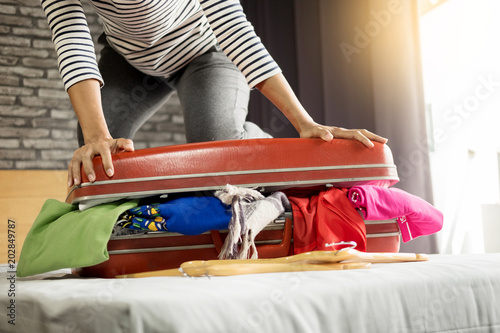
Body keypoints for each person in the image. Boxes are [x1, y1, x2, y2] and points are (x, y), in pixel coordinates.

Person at [41, 0, 387, 188]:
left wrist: (304, 123)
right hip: (131, 61)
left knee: (215, 142)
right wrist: (97, 134)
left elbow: (234, 28)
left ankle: (249, 140)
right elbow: (71, 39)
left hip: (205, 52)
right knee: (97, 156)